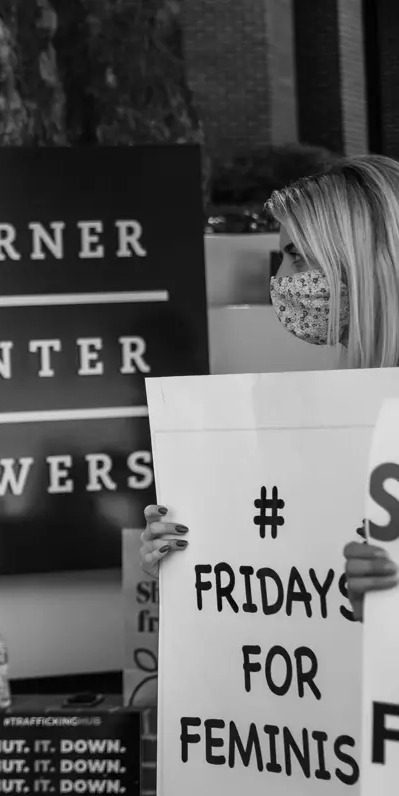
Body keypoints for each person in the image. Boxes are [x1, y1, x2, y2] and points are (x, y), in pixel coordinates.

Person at [140, 154, 399, 618]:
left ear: (361, 260)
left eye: (296, 255)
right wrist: (193, 557)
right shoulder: (335, 414)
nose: (280, 279)